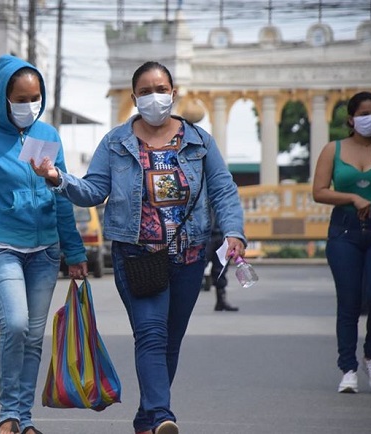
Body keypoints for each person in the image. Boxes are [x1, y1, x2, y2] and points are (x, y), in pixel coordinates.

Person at [32, 61, 247, 434]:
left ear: (173, 92)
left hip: (190, 256)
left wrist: (235, 232)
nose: (154, 97)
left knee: (170, 342)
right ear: (133, 98)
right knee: (151, 333)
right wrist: (57, 178)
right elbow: (94, 190)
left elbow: (224, 189)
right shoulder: (116, 143)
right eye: (145, 91)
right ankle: (163, 414)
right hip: (137, 256)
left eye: (160, 88)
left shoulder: (198, 141)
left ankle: (146, 419)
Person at [0, 54, 88, 434]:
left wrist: (73, 250)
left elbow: (60, 195)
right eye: (21, 98)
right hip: (0, 246)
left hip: (45, 251)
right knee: (16, 324)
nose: (29, 105)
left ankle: (23, 421)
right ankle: (8, 414)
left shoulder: (48, 136)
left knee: (34, 337)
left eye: (35, 97)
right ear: (4, 97)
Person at [312, 90, 371, 394]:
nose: (370, 119)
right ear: (351, 118)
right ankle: (348, 367)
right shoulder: (333, 150)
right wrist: (351, 196)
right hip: (345, 232)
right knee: (349, 301)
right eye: (364, 114)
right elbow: (319, 191)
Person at [206, 216, 239, 312]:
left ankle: (221, 301)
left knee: (221, 269)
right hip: (205, 235)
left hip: (223, 235)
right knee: (197, 267)